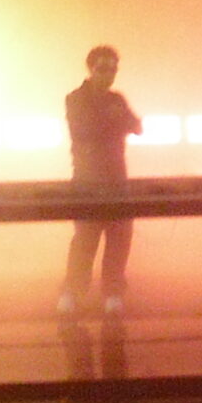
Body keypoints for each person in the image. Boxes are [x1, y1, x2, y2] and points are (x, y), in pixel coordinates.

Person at [61, 46, 142, 373]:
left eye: (113, 69)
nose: (110, 74)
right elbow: (84, 132)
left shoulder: (116, 99)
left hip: (117, 182)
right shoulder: (75, 99)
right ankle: (71, 298)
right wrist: (115, 122)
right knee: (85, 242)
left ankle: (112, 299)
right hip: (88, 184)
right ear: (91, 68)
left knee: (119, 240)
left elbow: (137, 125)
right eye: (104, 68)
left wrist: (114, 122)